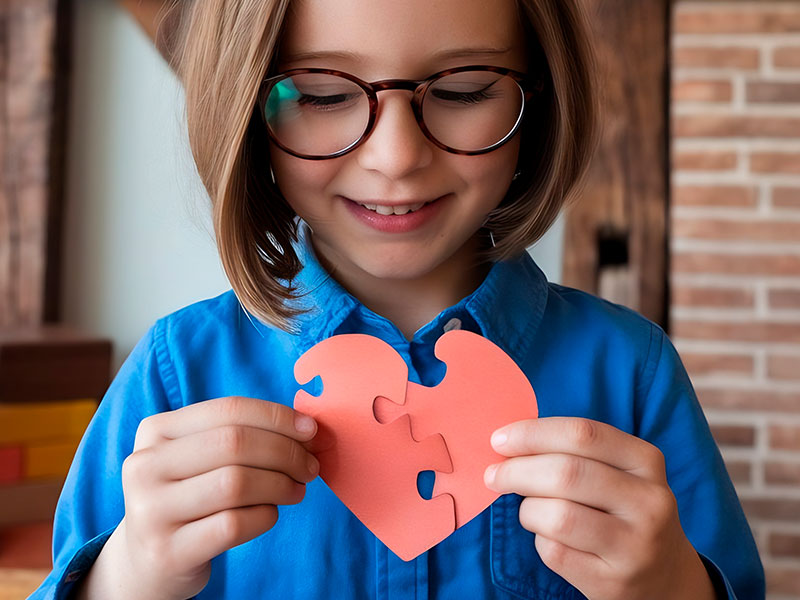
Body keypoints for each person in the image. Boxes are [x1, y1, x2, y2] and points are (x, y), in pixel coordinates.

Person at [31, 0, 765, 598]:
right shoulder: (174, 375)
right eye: (321, 94)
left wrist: (676, 586)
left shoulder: (630, 370)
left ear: (536, 99)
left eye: (462, 90)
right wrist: (125, 579)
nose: (396, 157)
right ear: (248, 108)